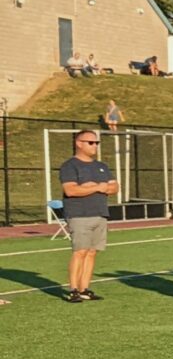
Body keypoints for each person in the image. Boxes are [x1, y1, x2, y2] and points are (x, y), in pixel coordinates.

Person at [57, 129, 117, 303]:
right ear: (79, 143)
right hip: (79, 215)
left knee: (92, 252)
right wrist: (97, 187)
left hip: (100, 214)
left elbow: (114, 187)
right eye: (91, 142)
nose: (95, 146)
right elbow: (71, 189)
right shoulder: (70, 166)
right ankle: (73, 290)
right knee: (80, 252)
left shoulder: (102, 166)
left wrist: (95, 186)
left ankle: (85, 289)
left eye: (96, 142)